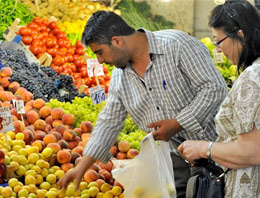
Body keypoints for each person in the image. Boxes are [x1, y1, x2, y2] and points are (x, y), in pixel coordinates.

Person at [58, 10, 227, 197]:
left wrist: (177, 123)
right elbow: (109, 122)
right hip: (172, 162)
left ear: (117, 41)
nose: (100, 60)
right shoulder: (119, 78)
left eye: (100, 52)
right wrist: (82, 167)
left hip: (218, 153)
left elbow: (215, 88)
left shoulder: (177, 45)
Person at [178, 0, 260, 197]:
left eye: (218, 41)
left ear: (240, 34)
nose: (218, 50)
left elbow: (251, 152)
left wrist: (203, 148)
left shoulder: (252, 77)